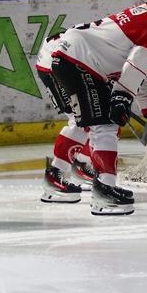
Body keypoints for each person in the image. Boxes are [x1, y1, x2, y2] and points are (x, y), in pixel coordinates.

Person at [48, 0, 147, 215]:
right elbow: (138, 62)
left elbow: (143, 70)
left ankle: (59, 178)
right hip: (79, 61)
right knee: (104, 126)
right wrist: (122, 96)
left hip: (77, 60)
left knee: (96, 124)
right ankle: (103, 192)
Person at [35, 32, 96, 203]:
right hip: (55, 64)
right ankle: (54, 177)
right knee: (81, 120)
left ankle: (82, 165)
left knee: (100, 119)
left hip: (72, 60)